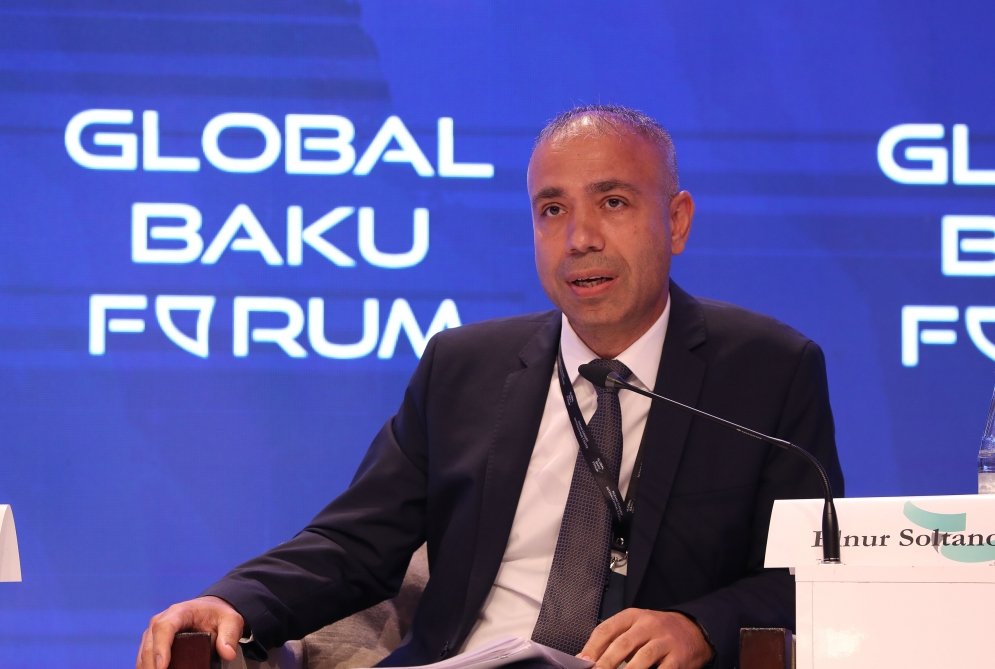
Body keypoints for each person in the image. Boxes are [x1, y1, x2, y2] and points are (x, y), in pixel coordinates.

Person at [138, 104, 843, 669]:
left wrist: (698, 626)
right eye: (552, 210)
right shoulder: (463, 366)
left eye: (613, 202)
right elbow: (354, 542)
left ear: (676, 220)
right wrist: (234, 598)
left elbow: (810, 574)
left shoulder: (766, 370)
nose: (580, 238)